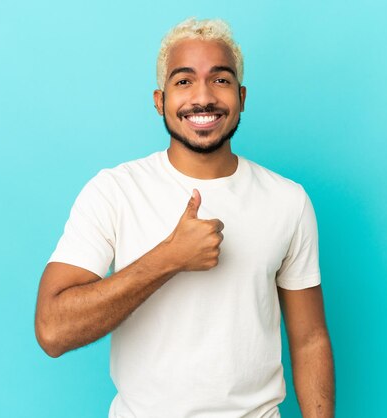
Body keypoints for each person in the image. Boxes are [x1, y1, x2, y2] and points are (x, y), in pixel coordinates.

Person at [35, 17, 335, 418]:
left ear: (242, 97)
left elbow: (310, 339)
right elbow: (53, 331)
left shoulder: (288, 200)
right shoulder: (114, 191)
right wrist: (169, 258)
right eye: (184, 81)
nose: (204, 97)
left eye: (221, 80)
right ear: (159, 100)